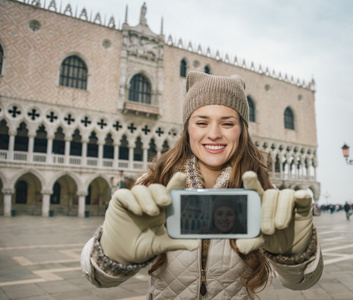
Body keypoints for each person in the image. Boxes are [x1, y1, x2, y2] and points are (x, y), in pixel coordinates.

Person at [80, 71, 323, 299]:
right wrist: (111, 254)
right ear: (187, 128)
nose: (214, 134)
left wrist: (296, 253)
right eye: (202, 122)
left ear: (242, 130)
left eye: (227, 123)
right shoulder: (154, 185)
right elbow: (98, 279)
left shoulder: (261, 194)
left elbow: (301, 283)